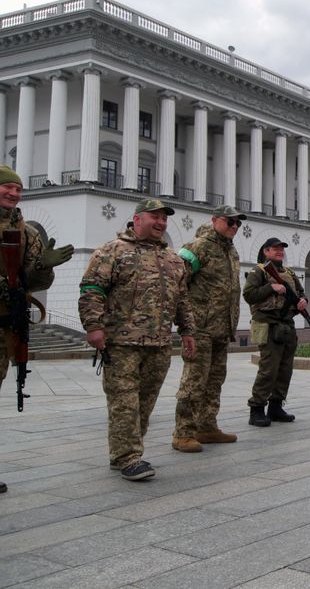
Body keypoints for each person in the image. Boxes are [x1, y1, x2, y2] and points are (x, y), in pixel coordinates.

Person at [79, 199, 196, 481]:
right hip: (122, 343)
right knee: (124, 401)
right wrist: (93, 326)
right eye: (154, 217)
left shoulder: (172, 259)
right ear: (137, 219)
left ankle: (125, 451)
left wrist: (188, 330)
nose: (160, 223)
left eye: (164, 219)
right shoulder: (112, 251)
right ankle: (129, 457)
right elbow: (92, 289)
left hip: (159, 344)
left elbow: (182, 299)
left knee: (146, 400)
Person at [0, 165, 73, 494]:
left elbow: (31, 278)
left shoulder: (26, 230)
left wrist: (44, 265)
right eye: (6, 188)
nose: (13, 194)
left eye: (17, 189)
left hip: (5, 326)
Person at [171, 205, 244, 453]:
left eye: (238, 223)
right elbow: (177, 282)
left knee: (214, 380)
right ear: (215, 220)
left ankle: (206, 426)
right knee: (194, 382)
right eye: (230, 222)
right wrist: (185, 324)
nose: (234, 227)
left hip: (222, 328)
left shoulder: (231, 251)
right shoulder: (198, 246)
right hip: (200, 328)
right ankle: (183, 432)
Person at [245, 237, 307, 426]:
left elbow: (299, 292)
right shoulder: (259, 271)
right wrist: (271, 287)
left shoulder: (288, 272)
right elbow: (249, 295)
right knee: (268, 370)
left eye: (281, 249)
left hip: (286, 325)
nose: (279, 251)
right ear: (266, 252)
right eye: (275, 249)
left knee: (284, 369)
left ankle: (276, 406)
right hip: (268, 325)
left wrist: (302, 301)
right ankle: (256, 409)